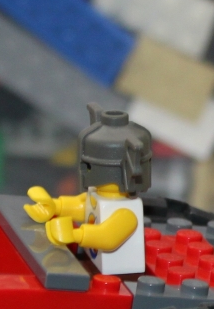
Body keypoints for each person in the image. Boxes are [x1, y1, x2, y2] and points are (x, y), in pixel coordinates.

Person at [23, 106, 152, 276]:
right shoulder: (95, 195)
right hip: (91, 266)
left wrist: (75, 235)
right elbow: (82, 206)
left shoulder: (127, 212)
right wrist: (55, 206)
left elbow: (108, 237)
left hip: (120, 276)